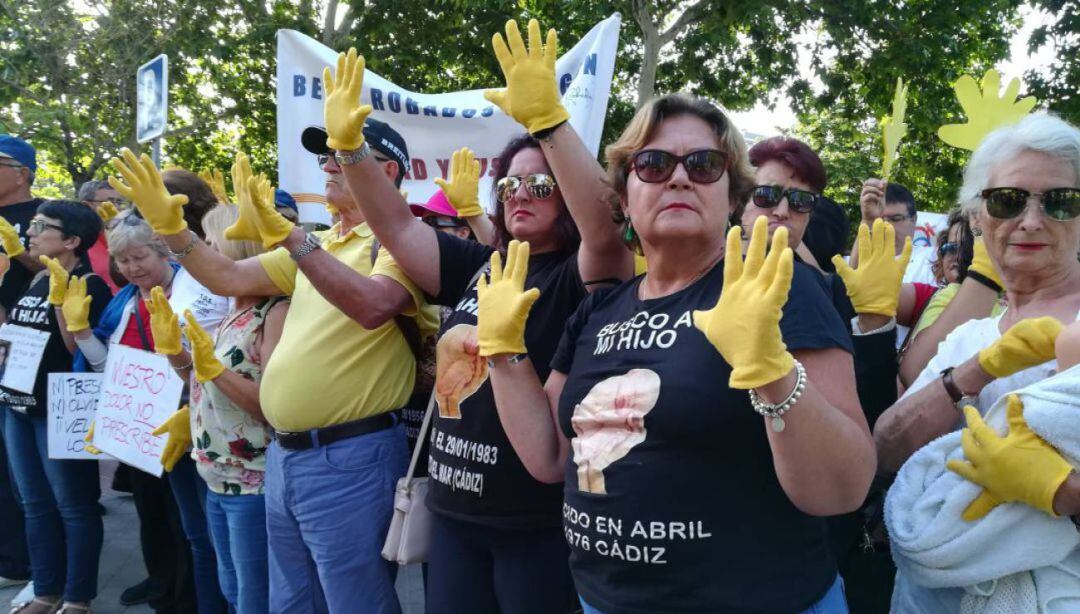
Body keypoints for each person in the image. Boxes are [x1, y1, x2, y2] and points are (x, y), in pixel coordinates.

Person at [482, 90, 872, 612]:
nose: (680, 177)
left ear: (733, 197)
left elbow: (841, 491)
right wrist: (505, 353)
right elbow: (550, 457)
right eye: (654, 163)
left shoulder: (778, 289)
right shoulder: (600, 310)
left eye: (706, 165)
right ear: (623, 197)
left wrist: (770, 369)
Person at [320, 27, 632, 613]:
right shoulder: (481, 263)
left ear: (565, 194)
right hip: (452, 515)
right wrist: (351, 151)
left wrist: (549, 123)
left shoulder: (578, 274)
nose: (521, 192)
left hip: (533, 524)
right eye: (510, 182)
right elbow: (399, 228)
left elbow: (607, 230)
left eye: (541, 183)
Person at [110, 130, 436, 612]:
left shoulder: (399, 240)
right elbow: (227, 276)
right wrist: (173, 229)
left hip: (349, 454)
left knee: (354, 599)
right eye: (325, 157)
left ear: (385, 172)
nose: (326, 166)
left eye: (341, 156)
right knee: (291, 601)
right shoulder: (320, 244)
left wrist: (293, 240)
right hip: (286, 456)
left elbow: (373, 307)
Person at [875, 113, 1080, 476]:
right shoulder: (967, 339)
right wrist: (973, 372)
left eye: (1060, 201)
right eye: (1007, 201)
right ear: (975, 218)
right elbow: (885, 452)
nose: (1031, 221)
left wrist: (1062, 494)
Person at [73, 210, 218, 614]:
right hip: (138, 425)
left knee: (192, 524)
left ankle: (193, 599)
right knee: (152, 514)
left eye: (140, 257)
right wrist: (83, 334)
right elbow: (104, 364)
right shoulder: (122, 300)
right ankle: (163, 589)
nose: (131, 268)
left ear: (163, 253)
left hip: (189, 422)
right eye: (123, 260)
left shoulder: (198, 290)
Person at [149, 202, 287, 614]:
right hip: (215, 472)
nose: (202, 255)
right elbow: (204, 390)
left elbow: (271, 407)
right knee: (230, 589)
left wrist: (211, 371)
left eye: (211, 243)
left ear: (239, 248)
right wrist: (178, 357)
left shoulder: (276, 311)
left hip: (254, 480)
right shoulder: (233, 306)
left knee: (254, 598)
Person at [1, 200, 112, 614]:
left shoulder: (89, 284)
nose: (30, 232)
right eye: (32, 224)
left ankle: (77, 598)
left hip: (60, 409)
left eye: (40, 226)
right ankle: (45, 592)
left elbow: (76, 351)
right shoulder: (37, 278)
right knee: (33, 503)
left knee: (74, 506)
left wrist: (66, 304)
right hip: (17, 403)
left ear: (71, 240)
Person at [0, 135, 46, 322]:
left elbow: (60, 273)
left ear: (22, 174)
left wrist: (20, 253)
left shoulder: (46, 215)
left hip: (19, 335)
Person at [76, 180, 124, 293]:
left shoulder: (131, 236)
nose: (116, 207)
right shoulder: (76, 242)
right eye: (110, 202)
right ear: (86, 206)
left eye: (119, 202)